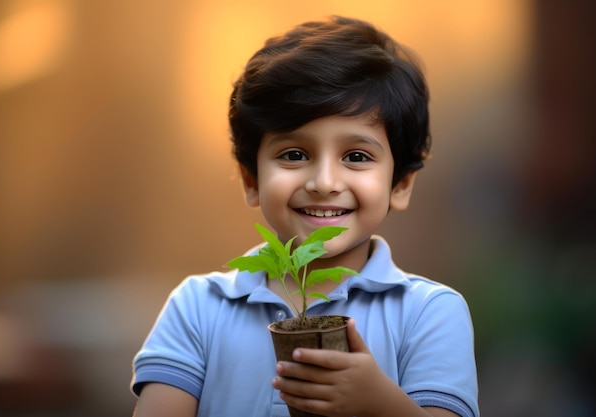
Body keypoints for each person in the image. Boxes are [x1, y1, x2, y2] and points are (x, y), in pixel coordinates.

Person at [131, 15, 479, 417]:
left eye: (356, 156)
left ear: (399, 185)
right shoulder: (199, 307)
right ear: (251, 180)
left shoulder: (429, 312)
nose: (324, 181)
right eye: (294, 155)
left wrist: (379, 404)